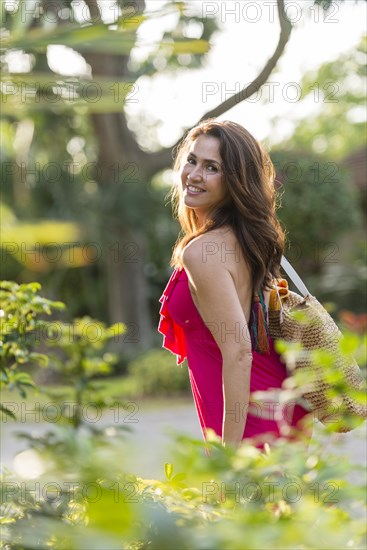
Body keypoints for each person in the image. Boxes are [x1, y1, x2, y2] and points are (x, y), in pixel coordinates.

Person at [158, 119, 312, 450]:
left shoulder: (203, 251)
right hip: (280, 411)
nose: (194, 174)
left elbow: (239, 350)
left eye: (211, 167)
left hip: (251, 427)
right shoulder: (242, 241)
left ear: (235, 182)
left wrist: (230, 455)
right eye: (192, 160)